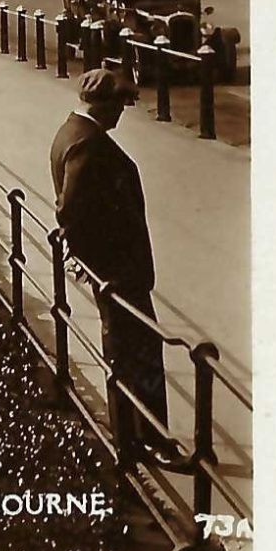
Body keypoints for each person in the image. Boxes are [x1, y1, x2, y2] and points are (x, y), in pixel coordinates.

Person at [50, 69, 169, 464]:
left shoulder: (70, 132)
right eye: (120, 105)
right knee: (132, 350)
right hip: (118, 271)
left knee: (139, 347)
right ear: (104, 105)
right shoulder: (89, 145)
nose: (122, 114)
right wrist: (92, 264)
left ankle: (147, 432)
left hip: (116, 269)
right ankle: (136, 438)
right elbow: (70, 212)